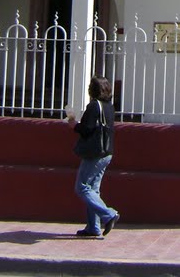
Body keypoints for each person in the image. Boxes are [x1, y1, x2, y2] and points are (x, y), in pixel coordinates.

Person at [68, 75, 119, 238]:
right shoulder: (109, 107)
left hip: (94, 153)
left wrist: (74, 124)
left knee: (82, 187)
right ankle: (93, 227)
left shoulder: (94, 106)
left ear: (93, 90)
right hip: (107, 153)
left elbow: (87, 129)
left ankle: (109, 214)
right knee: (93, 189)